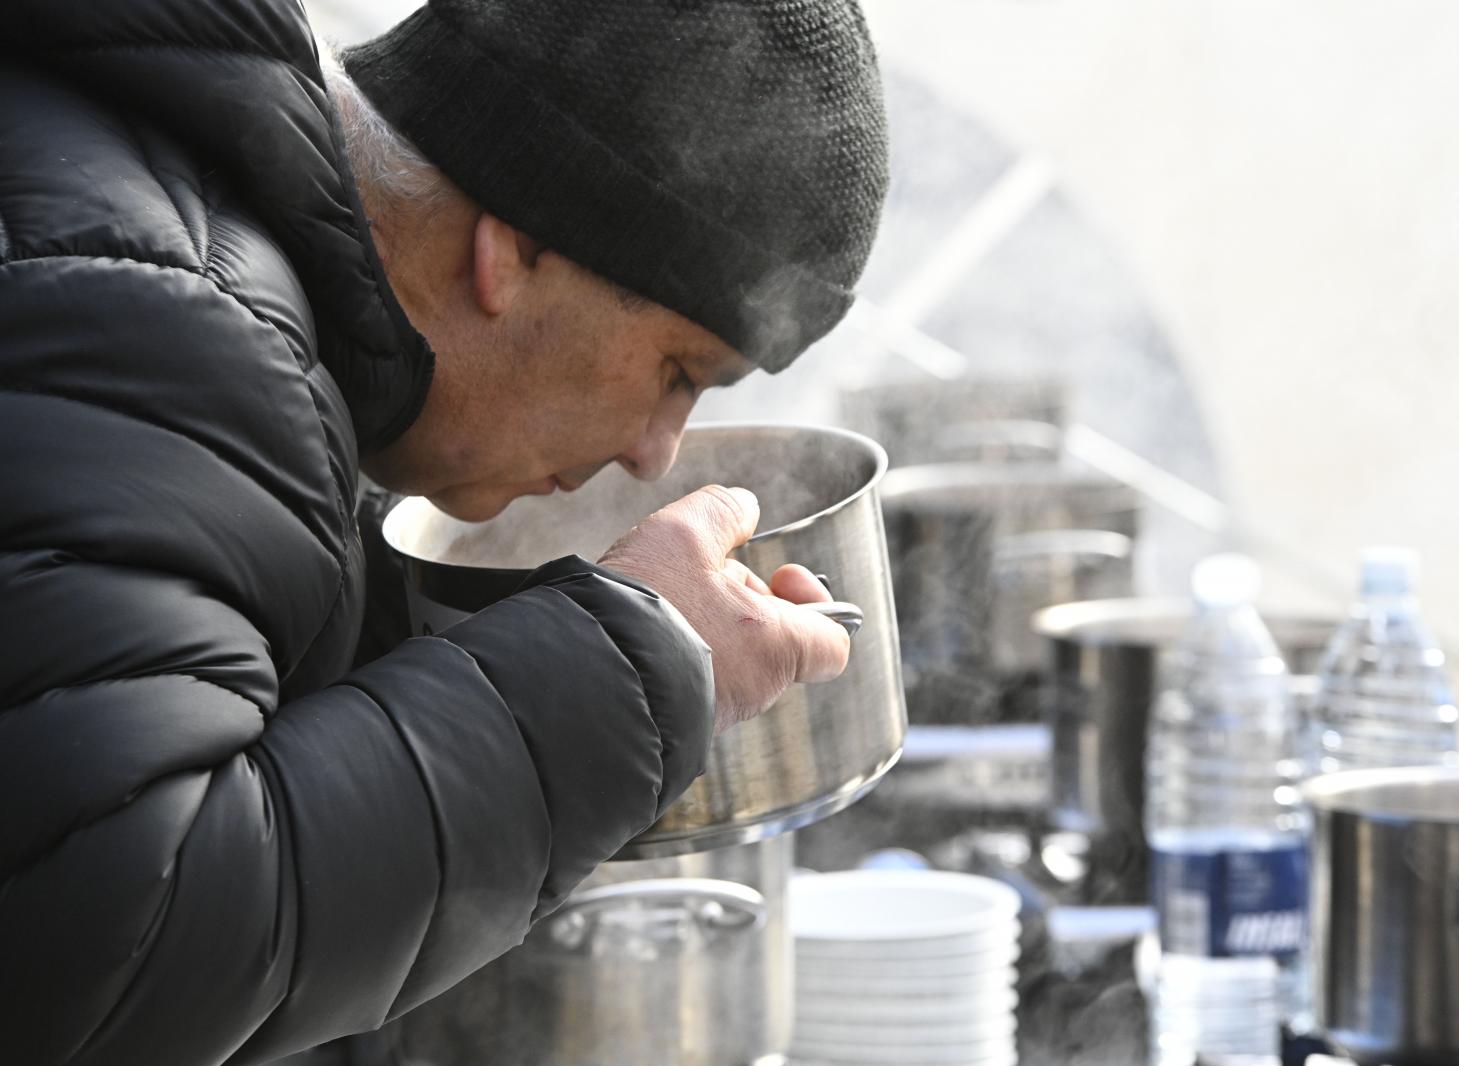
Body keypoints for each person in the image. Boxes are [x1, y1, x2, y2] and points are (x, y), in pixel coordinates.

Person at [0, 0, 889, 1063]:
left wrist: (407, 630)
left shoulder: (180, 227)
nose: (657, 453)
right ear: (515, 243)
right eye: (676, 371)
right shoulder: (182, 331)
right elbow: (109, 944)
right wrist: (631, 668)